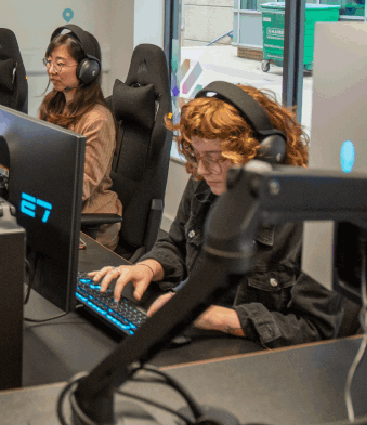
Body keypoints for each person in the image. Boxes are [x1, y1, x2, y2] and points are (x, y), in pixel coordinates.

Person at [91, 82, 343, 348]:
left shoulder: (314, 222)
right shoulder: (206, 183)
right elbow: (176, 243)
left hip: (262, 358)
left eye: (214, 157)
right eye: (198, 156)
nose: (201, 169)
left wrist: (217, 318)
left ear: (261, 154)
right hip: (204, 335)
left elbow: (315, 329)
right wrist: (148, 267)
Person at [0, 25, 122, 250]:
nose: (52, 70)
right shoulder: (52, 104)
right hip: (50, 208)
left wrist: (24, 183)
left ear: (88, 70)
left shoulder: (98, 119)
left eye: (60, 63)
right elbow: (28, 153)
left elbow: (81, 187)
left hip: (88, 225)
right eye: (49, 61)